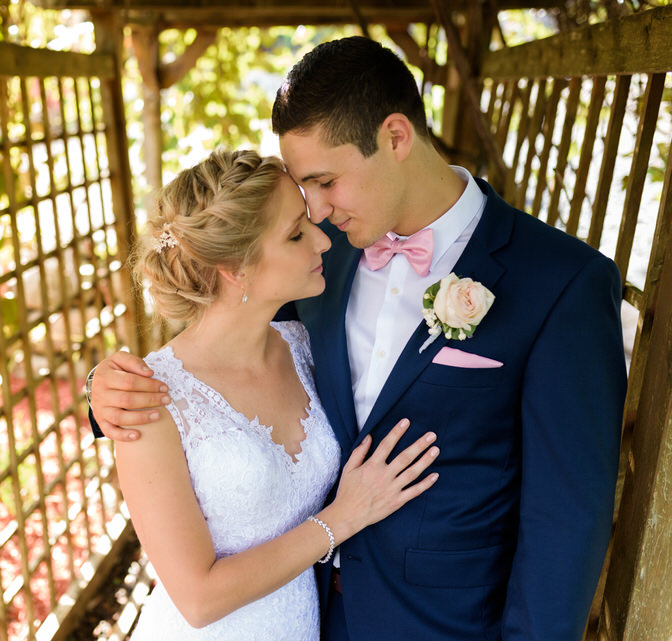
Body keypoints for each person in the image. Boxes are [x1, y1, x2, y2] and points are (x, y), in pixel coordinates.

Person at [90, 37, 628, 640]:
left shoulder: (561, 283)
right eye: (304, 189)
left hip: (441, 626)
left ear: (396, 137)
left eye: (325, 181)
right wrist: (108, 390)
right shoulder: (321, 259)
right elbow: (219, 343)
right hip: (310, 612)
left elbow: (566, 519)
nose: (316, 212)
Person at [117, 149, 439, 641]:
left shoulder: (309, 348)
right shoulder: (151, 400)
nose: (322, 241)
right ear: (234, 268)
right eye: (295, 234)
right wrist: (342, 519)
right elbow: (199, 600)